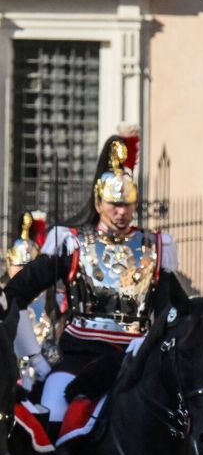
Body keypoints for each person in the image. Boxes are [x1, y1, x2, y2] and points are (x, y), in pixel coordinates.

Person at [5, 133, 178, 433]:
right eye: (114, 204)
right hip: (81, 357)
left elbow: (170, 311)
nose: (121, 212)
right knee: (54, 410)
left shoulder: (154, 247)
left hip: (136, 358)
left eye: (127, 204)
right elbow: (13, 295)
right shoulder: (72, 244)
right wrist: (33, 355)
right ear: (99, 202)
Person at [5, 211, 59, 396]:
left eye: (28, 267)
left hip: (47, 370)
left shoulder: (54, 297)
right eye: (19, 266)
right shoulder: (4, 297)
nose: (23, 272)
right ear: (9, 263)